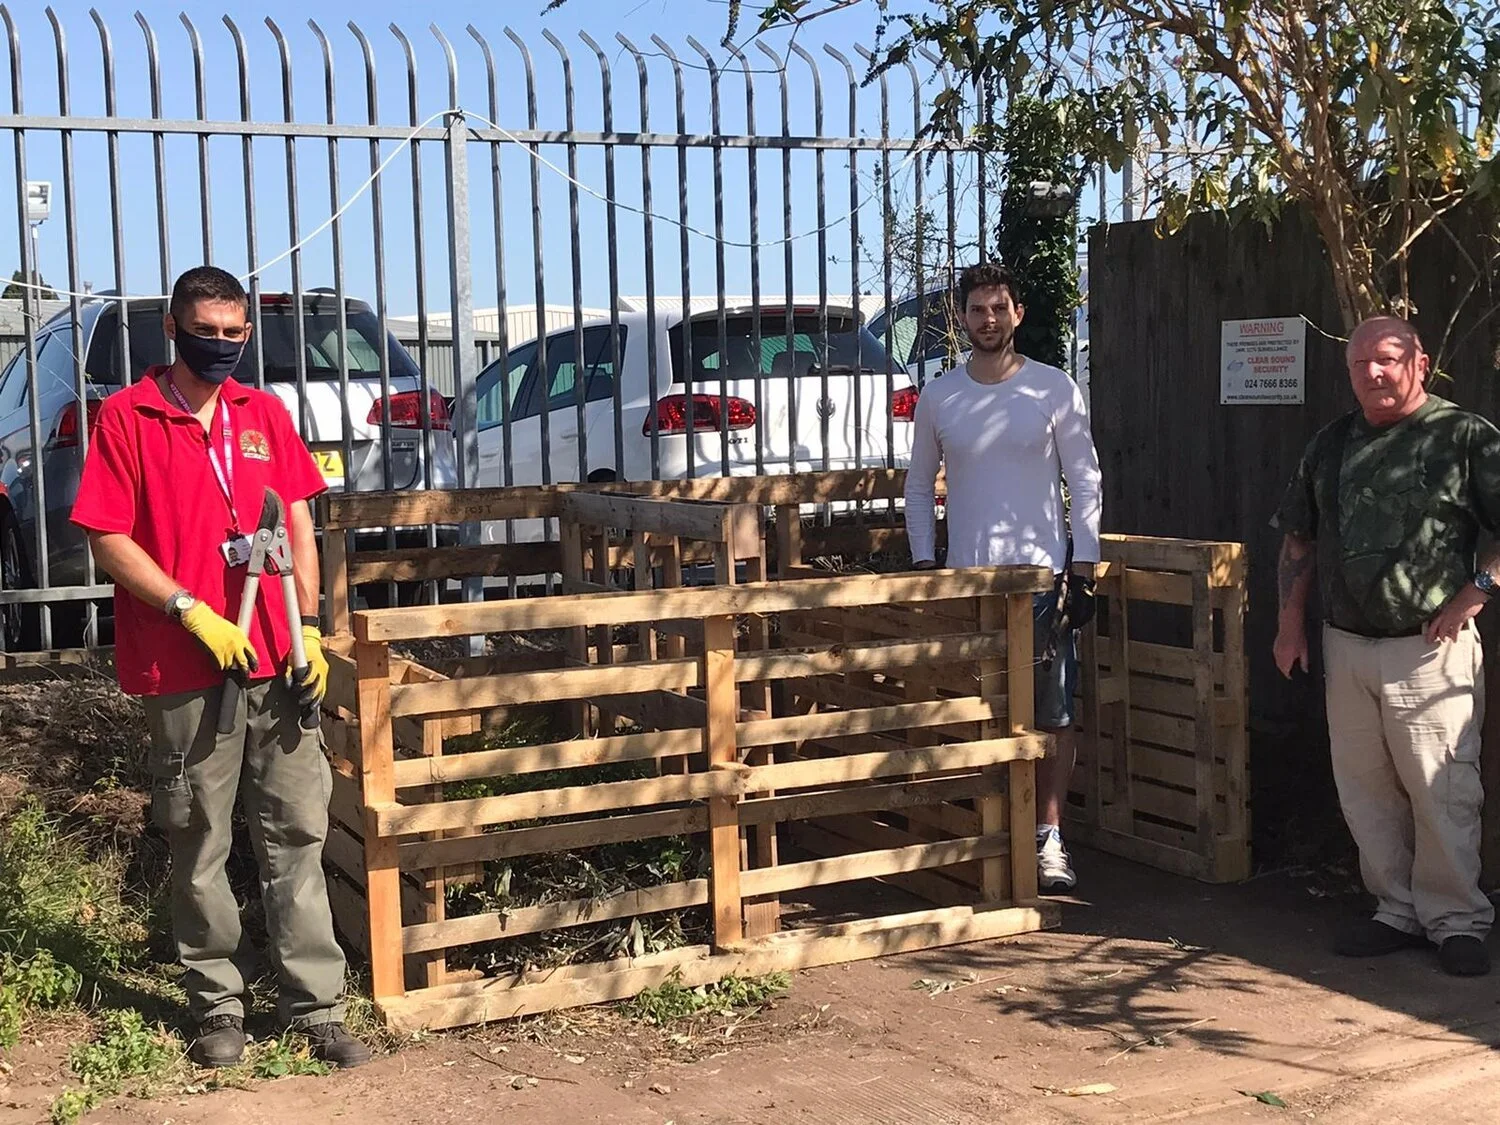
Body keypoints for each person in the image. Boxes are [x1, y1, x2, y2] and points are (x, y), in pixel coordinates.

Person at [70, 266, 372, 1065]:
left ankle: (314, 1006)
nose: (222, 345)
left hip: (277, 658)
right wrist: (190, 610)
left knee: (296, 831)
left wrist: (305, 627)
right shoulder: (128, 419)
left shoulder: (263, 412)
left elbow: (298, 520)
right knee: (200, 839)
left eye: (235, 333)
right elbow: (108, 538)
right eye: (206, 330)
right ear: (173, 327)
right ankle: (217, 1006)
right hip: (184, 665)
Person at [1272, 314, 1497, 977]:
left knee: (1442, 786)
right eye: (1360, 363)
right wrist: (1289, 621)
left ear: (1418, 363)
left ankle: (1456, 919)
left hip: (1427, 648)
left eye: (1388, 359)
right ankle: (1396, 908)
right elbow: (1299, 539)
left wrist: (1473, 592)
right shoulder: (1333, 443)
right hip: (1346, 645)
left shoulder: (1462, 437)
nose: (1373, 372)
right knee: (1366, 789)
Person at [904, 262, 1103, 892]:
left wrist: (1084, 562)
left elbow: (1086, 474)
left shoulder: (1053, 388)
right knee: (978, 710)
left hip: (1041, 580)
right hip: (968, 583)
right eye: (977, 310)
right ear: (961, 318)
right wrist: (922, 562)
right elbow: (917, 484)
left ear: (1018, 314)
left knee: (1054, 711)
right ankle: (984, 834)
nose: (988, 320)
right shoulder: (940, 396)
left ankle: (1048, 837)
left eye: (999, 309)